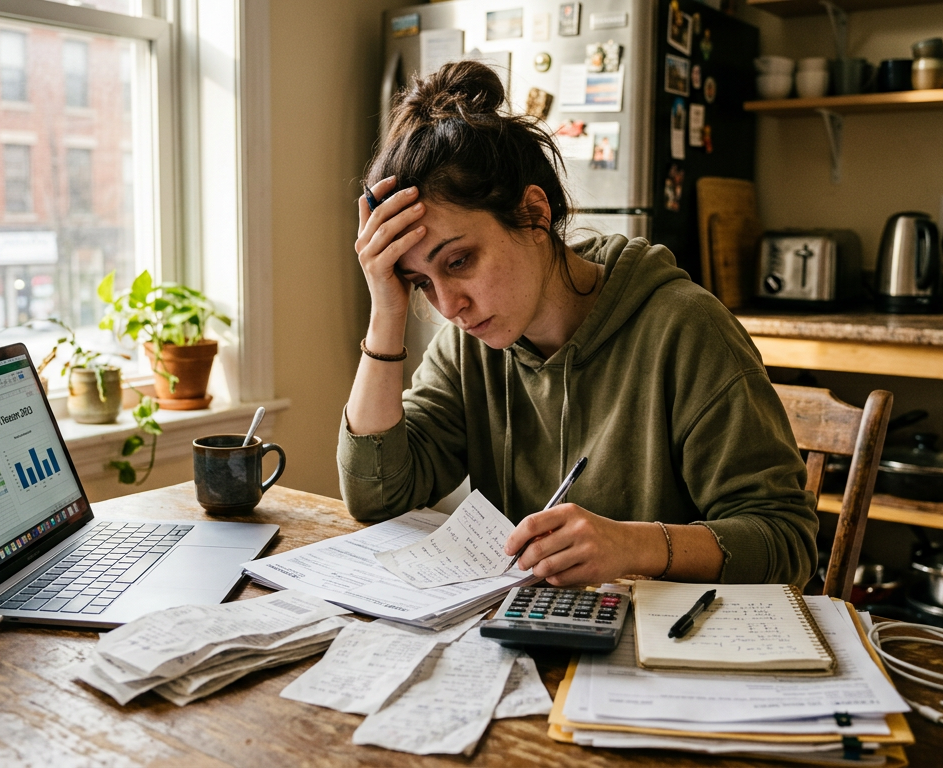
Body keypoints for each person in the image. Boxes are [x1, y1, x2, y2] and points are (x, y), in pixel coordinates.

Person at [339, 60, 817, 588]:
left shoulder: (685, 328)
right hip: (532, 645)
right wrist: (386, 310)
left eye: (459, 261)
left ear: (534, 214)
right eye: (420, 281)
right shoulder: (467, 345)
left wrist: (635, 545)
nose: (449, 305)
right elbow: (377, 497)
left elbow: (786, 542)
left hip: (670, 649)